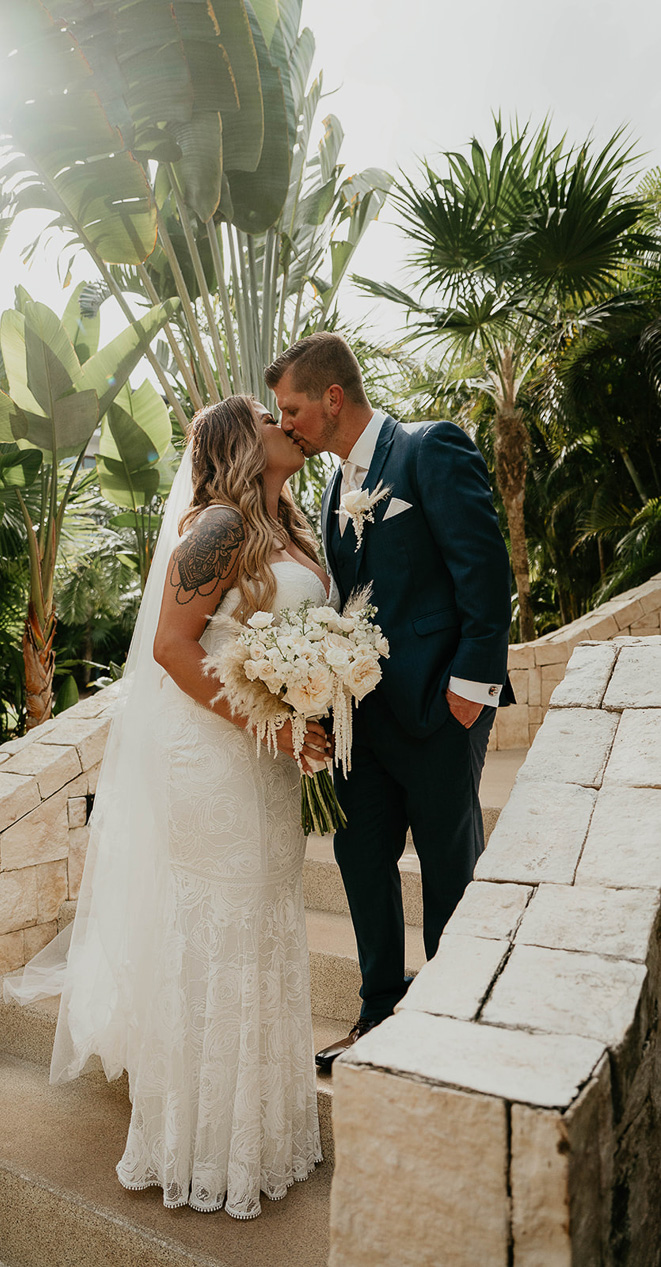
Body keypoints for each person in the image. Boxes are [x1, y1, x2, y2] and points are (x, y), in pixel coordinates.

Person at [5, 395, 333, 1220]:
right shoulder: (219, 527)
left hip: (270, 759)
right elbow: (171, 648)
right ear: (234, 442)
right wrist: (276, 724)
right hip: (216, 759)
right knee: (219, 929)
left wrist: (316, 706)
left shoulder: (289, 527)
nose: (285, 423)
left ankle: (258, 1133)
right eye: (268, 415)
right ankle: (197, 1144)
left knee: (264, 921)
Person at [264, 333, 513, 1072]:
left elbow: (484, 569)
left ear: (332, 398)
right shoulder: (331, 486)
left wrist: (470, 690)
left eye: (293, 408)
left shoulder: (428, 449)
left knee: (447, 865)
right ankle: (377, 1013)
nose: (286, 424)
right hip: (360, 721)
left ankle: (446, 1020)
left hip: (439, 710)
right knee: (359, 859)